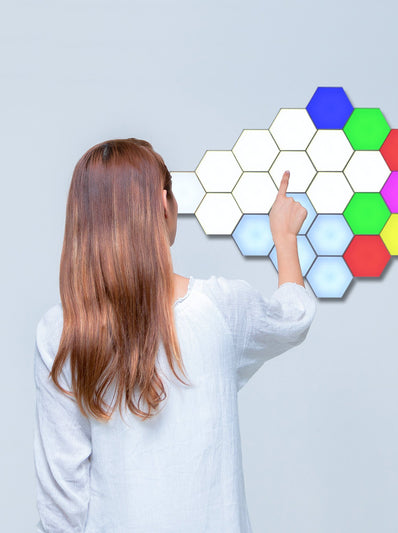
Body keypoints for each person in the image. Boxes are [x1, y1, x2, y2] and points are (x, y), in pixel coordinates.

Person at [33, 138, 317, 532]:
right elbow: (293, 317)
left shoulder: (63, 330)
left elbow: (61, 500)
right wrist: (285, 239)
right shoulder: (220, 309)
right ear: (164, 204)